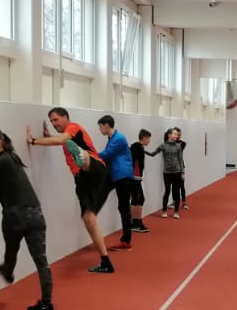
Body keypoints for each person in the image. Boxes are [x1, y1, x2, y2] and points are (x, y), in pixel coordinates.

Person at [26, 107, 115, 274]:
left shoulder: (73, 127)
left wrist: (33, 140)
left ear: (65, 117)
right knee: (89, 219)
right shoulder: (66, 138)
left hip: (95, 167)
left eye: (56, 119)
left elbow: (62, 140)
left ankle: (82, 157)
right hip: (81, 180)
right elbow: (61, 141)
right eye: (51, 121)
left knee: (84, 158)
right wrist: (49, 137)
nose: (54, 123)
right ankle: (106, 261)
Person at [0, 128, 53, 310]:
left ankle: (7, 271)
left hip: (15, 214)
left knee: (11, 250)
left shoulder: (0, 160)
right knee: (41, 260)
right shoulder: (12, 157)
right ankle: (47, 304)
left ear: (0, 142)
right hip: (36, 213)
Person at [96, 114, 137, 251]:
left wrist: (90, 154)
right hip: (115, 174)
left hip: (122, 175)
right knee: (100, 194)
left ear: (106, 125)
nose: (100, 129)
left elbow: (106, 154)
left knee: (123, 207)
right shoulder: (112, 138)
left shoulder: (119, 138)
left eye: (100, 126)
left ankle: (126, 241)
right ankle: (91, 214)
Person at [129, 128, 153, 235]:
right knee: (139, 198)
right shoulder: (137, 148)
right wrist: (136, 176)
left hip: (134, 177)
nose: (149, 141)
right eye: (149, 139)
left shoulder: (137, 148)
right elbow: (135, 163)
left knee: (135, 199)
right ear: (144, 138)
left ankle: (135, 223)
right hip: (135, 178)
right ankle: (137, 223)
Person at [158, 128, 186, 217]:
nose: (177, 136)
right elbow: (153, 153)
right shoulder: (163, 145)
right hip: (167, 172)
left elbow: (180, 160)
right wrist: (142, 149)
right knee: (167, 191)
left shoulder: (178, 146)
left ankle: (176, 212)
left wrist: (182, 172)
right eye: (175, 134)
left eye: (177, 134)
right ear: (169, 135)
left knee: (176, 192)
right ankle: (164, 211)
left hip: (177, 172)